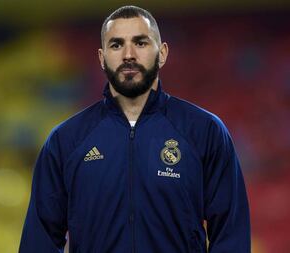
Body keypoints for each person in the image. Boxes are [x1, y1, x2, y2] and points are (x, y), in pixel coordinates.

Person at [19, 5, 250, 253]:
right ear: (101, 57)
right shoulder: (66, 140)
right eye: (116, 45)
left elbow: (230, 233)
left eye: (140, 43)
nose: (128, 54)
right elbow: (39, 240)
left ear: (162, 53)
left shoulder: (205, 131)